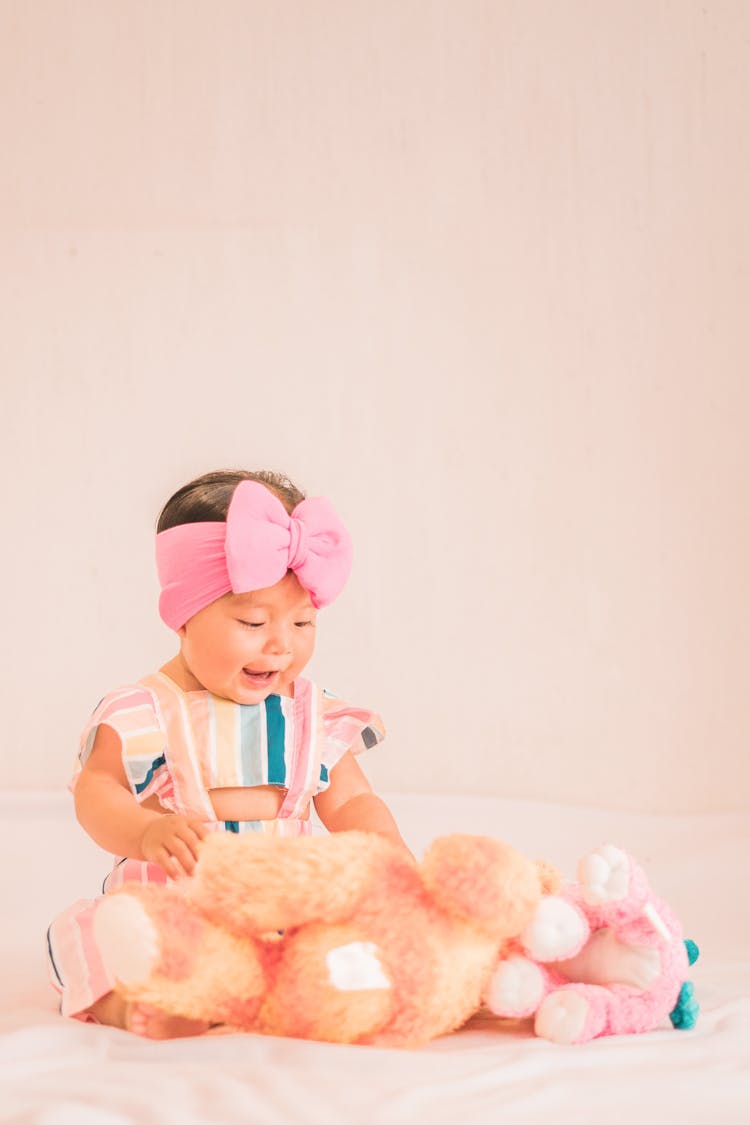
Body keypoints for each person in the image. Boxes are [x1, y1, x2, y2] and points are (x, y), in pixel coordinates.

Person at [47, 469, 408, 1038]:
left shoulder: (312, 713)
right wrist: (143, 833)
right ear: (184, 616)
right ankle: (139, 1003)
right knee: (91, 931)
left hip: (288, 909)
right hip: (181, 906)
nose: (280, 644)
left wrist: (388, 856)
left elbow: (354, 800)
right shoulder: (145, 710)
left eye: (302, 622)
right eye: (253, 621)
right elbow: (98, 791)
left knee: (362, 934)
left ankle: (328, 989)